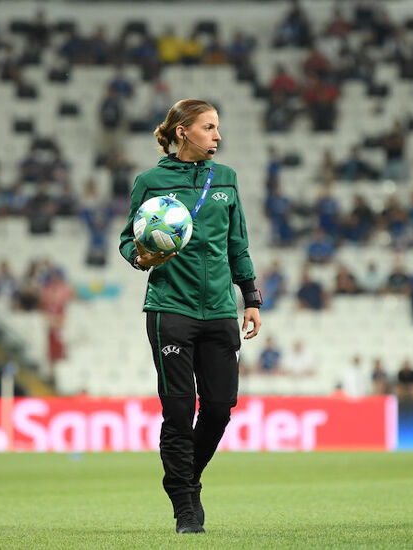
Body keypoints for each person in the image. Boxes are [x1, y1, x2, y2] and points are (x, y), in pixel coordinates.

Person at [119, 99, 262, 534]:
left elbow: (238, 244)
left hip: (219, 309)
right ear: (183, 132)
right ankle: (184, 505)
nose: (218, 136)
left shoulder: (227, 179)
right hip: (170, 308)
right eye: (209, 127)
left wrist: (250, 296)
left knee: (219, 408)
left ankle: (188, 477)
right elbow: (128, 241)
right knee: (179, 410)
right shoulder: (150, 181)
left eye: (217, 128)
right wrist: (141, 258)